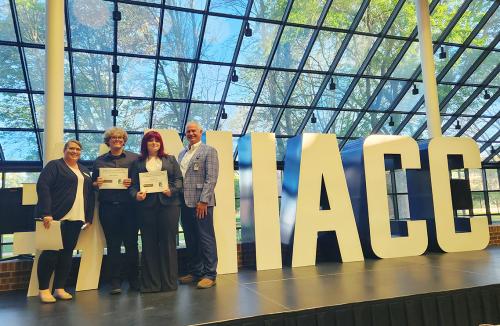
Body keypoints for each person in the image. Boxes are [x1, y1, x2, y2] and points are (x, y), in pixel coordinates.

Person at [35, 140, 95, 303]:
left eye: (78, 149)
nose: (74, 151)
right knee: (50, 253)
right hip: (55, 217)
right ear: (64, 150)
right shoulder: (54, 166)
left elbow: (89, 194)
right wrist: (46, 212)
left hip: (76, 218)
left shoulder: (84, 170)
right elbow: (43, 187)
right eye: (71, 148)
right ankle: (43, 290)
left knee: (67, 254)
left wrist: (89, 217)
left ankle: (59, 288)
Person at [129, 131, 183, 293]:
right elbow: (132, 186)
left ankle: (169, 283)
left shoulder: (170, 159)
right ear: (145, 144)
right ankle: (151, 284)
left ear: (161, 143)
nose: (154, 143)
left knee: (168, 243)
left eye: (157, 140)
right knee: (149, 243)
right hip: (146, 208)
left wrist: (171, 190)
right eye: (150, 140)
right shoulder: (137, 163)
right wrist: (136, 195)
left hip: (169, 206)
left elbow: (179, 180)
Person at [92, 127, 139, 294]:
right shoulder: (99, 161)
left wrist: (131, 182)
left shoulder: (135, 159)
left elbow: (141, 180)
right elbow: (93, 184)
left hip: (130, 209)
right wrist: (96, 183)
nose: (117, 139)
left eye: (120, 137)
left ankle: (134, 280)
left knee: (131, 245)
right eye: (113, 137)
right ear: (108, 141)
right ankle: (115, 282)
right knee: (113, 246)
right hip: (108, 208)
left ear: (124, 140)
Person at [178, 121, 219, 289]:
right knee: (191, 238)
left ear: (201, 132)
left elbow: (211, 178)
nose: (191, 134)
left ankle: (210, 274)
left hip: (202, 203)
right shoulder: (182, 153)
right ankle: (196, 271)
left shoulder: (209, 151)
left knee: (206, 238)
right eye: (188, 131)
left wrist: (203, 201)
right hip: (184, 203)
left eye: (194, 131)